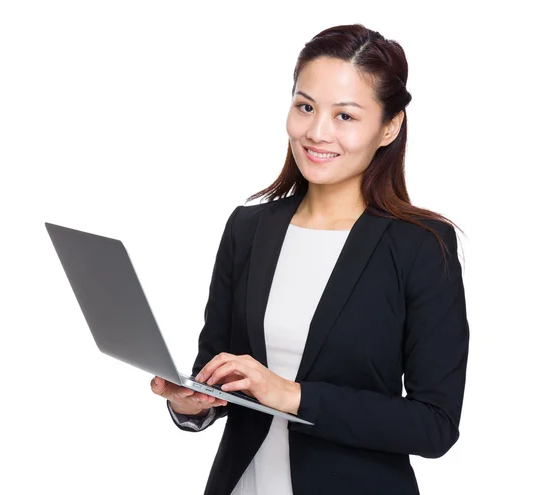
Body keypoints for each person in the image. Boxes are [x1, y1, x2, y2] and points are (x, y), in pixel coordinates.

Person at [150, 23, 470, 495]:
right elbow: (216, 370)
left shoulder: (423, 246)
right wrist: (192, 403)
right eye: (305, 106)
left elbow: (434, 425)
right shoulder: (248, 228)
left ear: (389, 126)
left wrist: (292, 396)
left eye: (345, 116)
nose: (317, 132)